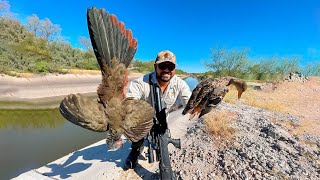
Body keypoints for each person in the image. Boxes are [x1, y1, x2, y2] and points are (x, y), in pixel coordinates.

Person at [124, 50, 192, 169]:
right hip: (143, 118)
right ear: (155, 66)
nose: (166, 70)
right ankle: (136, 149)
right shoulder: (141, 82)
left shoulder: (180, 84)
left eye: (170, 66)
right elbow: (130, 101)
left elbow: (190, 102)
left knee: (163, 137)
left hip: (163, 117)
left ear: (174, 69)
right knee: (135, 132)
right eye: (162, 66)